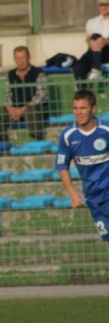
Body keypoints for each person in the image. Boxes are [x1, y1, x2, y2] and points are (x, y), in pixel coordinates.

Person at [56, 89, 109, 242]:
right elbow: (62, 165)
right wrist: (71, 192)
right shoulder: (68, 135)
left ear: (93, 109)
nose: (78, 112)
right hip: (93, 198)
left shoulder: (105, 131)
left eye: (83, 108)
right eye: (75, 108)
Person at [0, 46, 51, 143]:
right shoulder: (10, 75)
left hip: (34, 108)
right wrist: (10, 109)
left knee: (30, 111)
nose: (20, 61)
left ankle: (39, 140)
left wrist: (22, 109)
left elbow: (41, 96)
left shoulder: (39, 74)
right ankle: (3, 142)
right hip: (15, 111)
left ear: (29, 57)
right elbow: (7, 95)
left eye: (23, 58)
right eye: (17, 58)